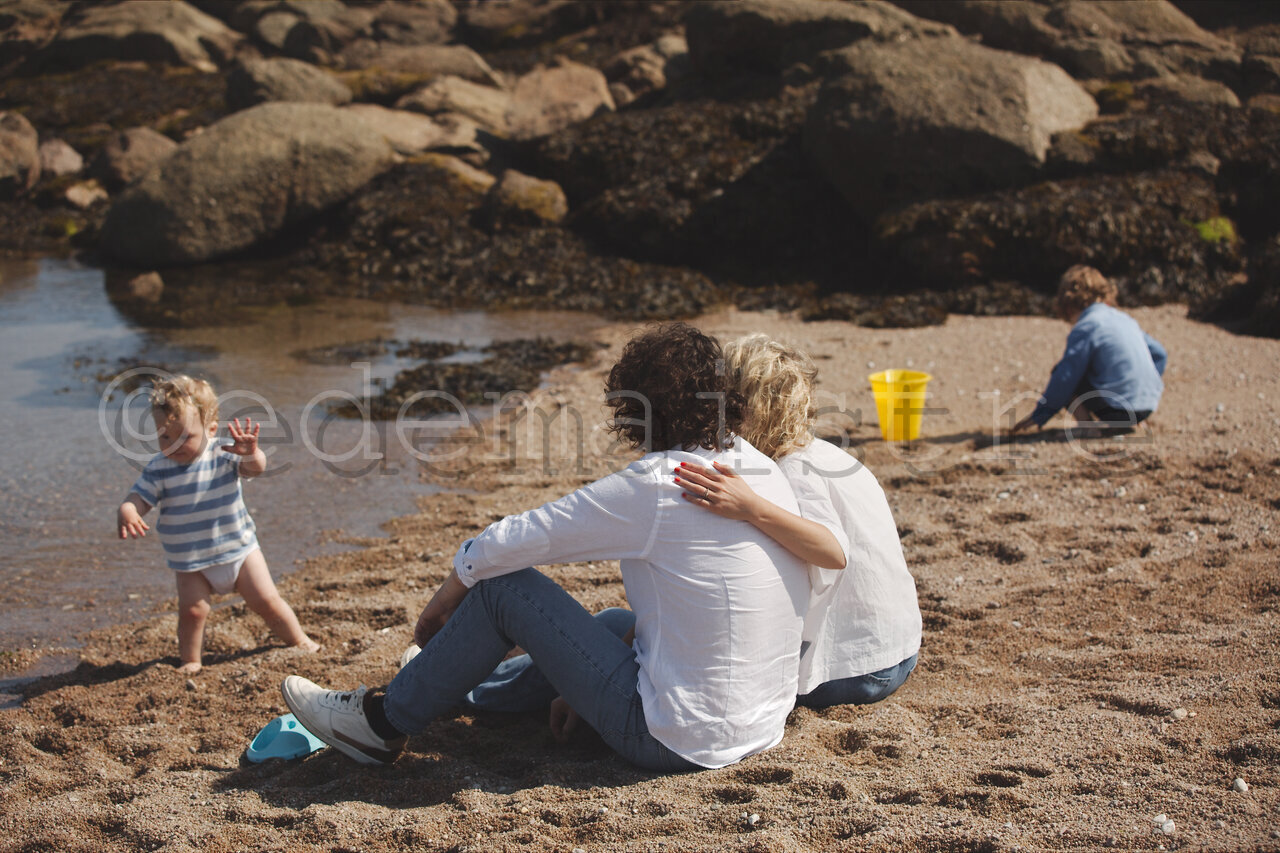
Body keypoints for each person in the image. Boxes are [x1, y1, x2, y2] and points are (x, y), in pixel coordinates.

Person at [281, 323, 809, 771]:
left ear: (636, 409)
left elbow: (520, 538)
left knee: (504, 589)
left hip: (672, 738)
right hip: (758, 725)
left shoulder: (661, 482)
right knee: (608, 623)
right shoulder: (760, 470)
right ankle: (459, 686)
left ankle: (382, 723)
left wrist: (448, 593)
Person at [673, 334, 922, 708]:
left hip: (857, 672)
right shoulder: (827, 454)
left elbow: (833, 552)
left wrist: (751, 508)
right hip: (899, 648)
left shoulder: (794, 471)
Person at [116, 375, 319, 674]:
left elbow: (255, 469)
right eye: (164, 437)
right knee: (193, 612)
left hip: (239, 550)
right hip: (190, 561)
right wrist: (128, 510)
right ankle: (191, 660)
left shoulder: (225, 452)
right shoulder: (159, 468)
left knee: (266, 600)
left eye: (184, 436)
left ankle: (299, 640)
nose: (173, 445)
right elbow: (140, 497)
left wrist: (251, 453)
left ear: (211, 429)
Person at [1012, 265, 1167, 435]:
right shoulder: (1124, 319)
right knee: (1095, 368)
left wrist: (1042, 413)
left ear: (1067, 304)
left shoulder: (1087, 326)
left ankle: (1087, 427)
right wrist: (1139, 387)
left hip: (1116, 409)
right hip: (1147, 406)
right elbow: (1159, 354)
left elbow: (1066, 375)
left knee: (1066, 371)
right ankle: (1134, 421)